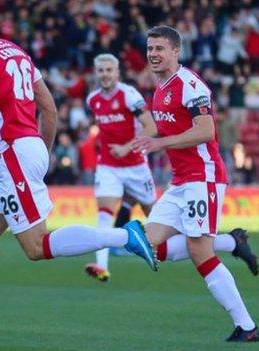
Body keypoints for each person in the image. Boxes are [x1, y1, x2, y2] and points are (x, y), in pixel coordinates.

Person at [0, 6, 157, 349]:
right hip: (20, 153)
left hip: (12, 154)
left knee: (36, 246)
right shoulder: (14, 51)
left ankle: (123, 235)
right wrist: (39, 152)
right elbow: (49, 107)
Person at [131, 26, 259, 342]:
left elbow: (206, 131)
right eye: (150, 48)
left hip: (203, 177)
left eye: (160, 48)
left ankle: (247, 327)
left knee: (199, 251)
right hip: (180, 182)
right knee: (151, 245)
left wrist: (161, 143)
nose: (153, 54)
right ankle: (233, 242)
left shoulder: (190, 84)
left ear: (177, 51)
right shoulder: (159, 88)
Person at [83, 53, 158, 282]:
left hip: (135, 165)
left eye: (109, 70)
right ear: (96, 74)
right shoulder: (92, 99)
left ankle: (168, 252)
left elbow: (151, 127)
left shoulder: (129, 95)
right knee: (104, 215)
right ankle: (102, 266)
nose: (105, 74)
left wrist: (126, 148)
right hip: (108, 166)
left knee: (154, 216)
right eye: (101, 71)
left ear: (117, 73)